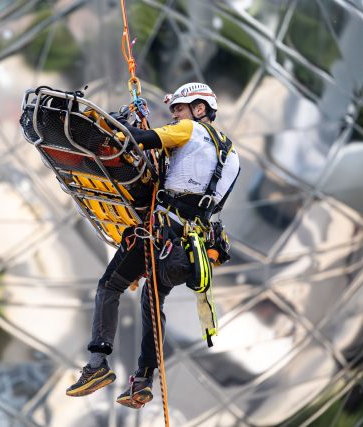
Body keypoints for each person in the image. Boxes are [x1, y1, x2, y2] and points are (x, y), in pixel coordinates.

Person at [65, 82, 240, 408]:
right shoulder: (233, 157)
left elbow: (137, 140)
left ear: (199, 110)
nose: (175, 115)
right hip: (188, 253)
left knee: (110, 285)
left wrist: (124, 121)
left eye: (180, 109)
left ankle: (97, 364)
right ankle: (143, 380)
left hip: (160, 234)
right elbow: (212, 204)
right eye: (173, 110)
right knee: (151, 300)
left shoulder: (188, 130)